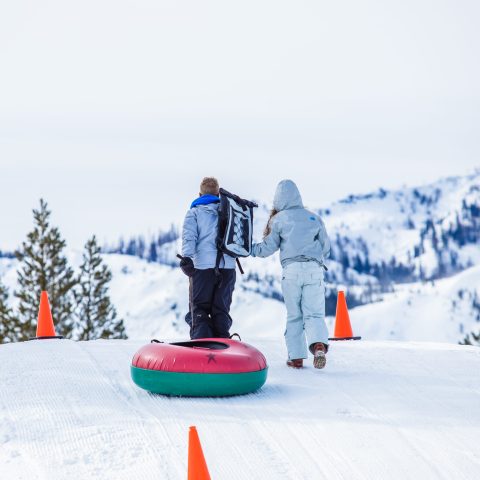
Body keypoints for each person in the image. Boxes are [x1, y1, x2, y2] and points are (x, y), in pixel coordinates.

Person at [251, 179, 331, 369]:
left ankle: (296, 358)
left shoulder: (278, 219)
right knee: (314, 314)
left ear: (278, 199)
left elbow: (267, 248)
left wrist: (248, 249)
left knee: (294, 315)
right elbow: (326, 247)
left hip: (292, 271)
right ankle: (318, 345)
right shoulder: (314, 218)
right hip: (314, 269)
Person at [180, 177, 236, 339]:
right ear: (218, 193)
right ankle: (224, 346)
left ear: (199, 194)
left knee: (199, 310)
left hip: (202, 269)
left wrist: (187, 258)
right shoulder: (230, 212)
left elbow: (189, 237)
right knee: (221, 310)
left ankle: (202, 346)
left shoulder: (194, 213)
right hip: (227, 268)